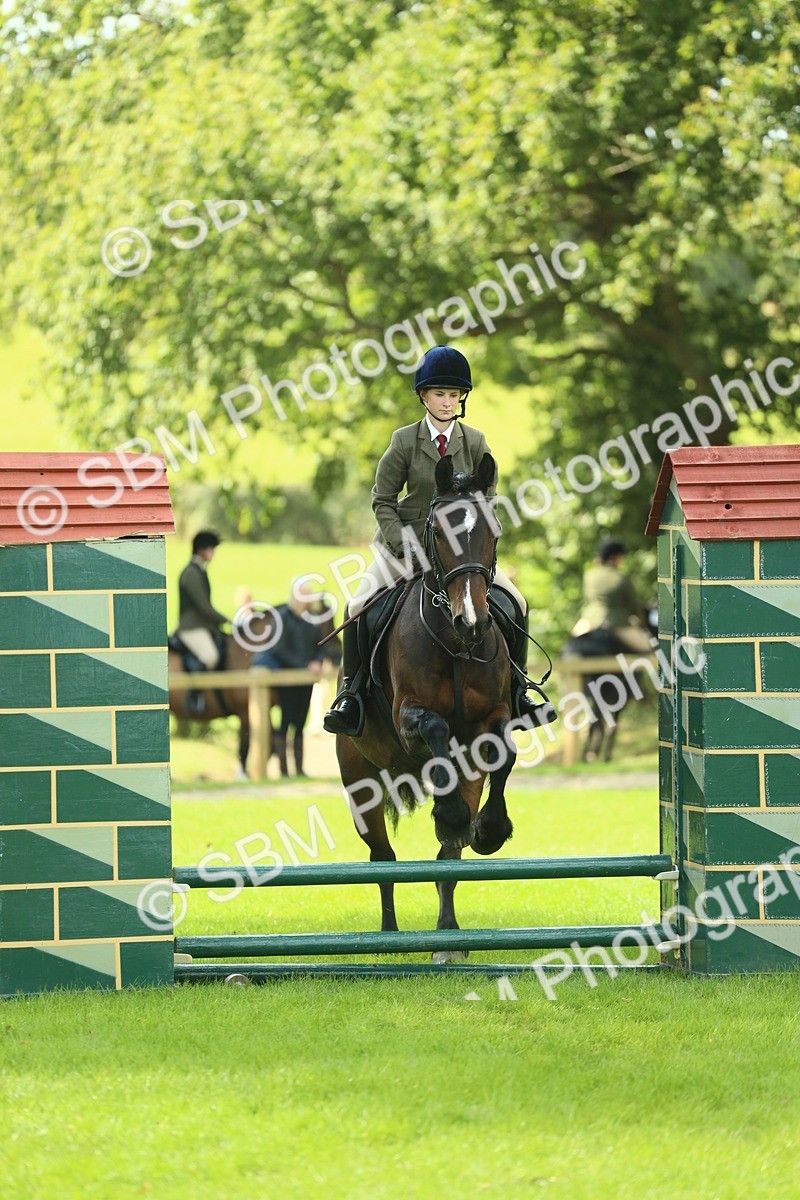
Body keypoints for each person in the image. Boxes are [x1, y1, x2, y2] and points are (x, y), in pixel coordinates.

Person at [323, 344, 549, 737]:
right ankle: (352, 694)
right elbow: (383, 498)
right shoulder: (404, 440)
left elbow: (487, 501)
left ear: (461, 398)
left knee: (518, 602)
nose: (447, 402)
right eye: (439, 394)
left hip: (458, 551)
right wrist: (402, 544)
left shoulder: (476, 442)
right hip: (406, 543)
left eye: (453, 395)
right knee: (358, 604)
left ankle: (520, 690)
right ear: (424, 397)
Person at [251, 579, 324, 777]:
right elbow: (278, 649)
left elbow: (320, 646)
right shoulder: (282, 617)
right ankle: (284, 771)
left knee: (300, 724)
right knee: (285, 724)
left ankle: (299, 769)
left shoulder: (312, 620)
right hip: (287, 680)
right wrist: (304, 665)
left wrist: (317, 661)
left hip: (306, 680)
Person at [571, 538, 654, 653]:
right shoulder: (621, 578)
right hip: (617, 624)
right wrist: (642, 622)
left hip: (590, 620)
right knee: (647, 648)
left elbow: (589, 598)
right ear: (615, 557)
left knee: (572, 648)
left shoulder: (589, 576)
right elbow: (632, 607)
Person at [177, 531, 229, 669]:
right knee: (210, 657)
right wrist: (225, 619)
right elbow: (203, 606)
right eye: (211, 548)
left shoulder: (201, 570)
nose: (213, 552)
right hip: (191, 627)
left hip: (203, 625)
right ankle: (194, 690)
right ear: (201, 550)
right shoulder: (191, 573)